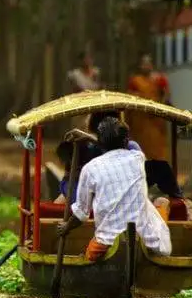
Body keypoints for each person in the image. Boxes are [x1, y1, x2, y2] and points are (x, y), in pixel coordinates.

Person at [57, 117, 172, 261]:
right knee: (160, 204)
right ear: (126, 140)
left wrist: (66, 227)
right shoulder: (137, 157)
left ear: (100, 142)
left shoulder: (90, 169)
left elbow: (81, 214)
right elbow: (130, 145)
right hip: (145, 239)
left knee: (90, 254)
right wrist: (90, 138)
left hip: (105, 244)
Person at [126, 54, 171, 161]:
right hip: (140, 120)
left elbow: (166, 95)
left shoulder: (159, 79)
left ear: (152, 65)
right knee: (141, 149)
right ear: (140, 66)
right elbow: (129, 97)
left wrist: (160, 107)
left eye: (148, 63)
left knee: (158, 151)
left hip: (155, 120)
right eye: (143, 64)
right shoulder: (135, 81)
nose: (146, 66)